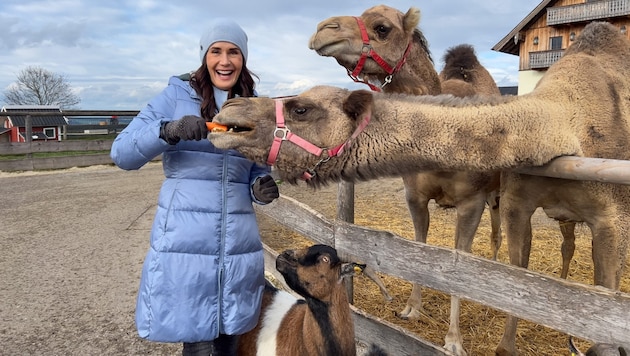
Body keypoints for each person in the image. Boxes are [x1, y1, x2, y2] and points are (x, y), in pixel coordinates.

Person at [110, 18, 279, 356]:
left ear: (243, 58)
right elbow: (122, 154)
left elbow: (259, 166)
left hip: (238, 243)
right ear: (204, 56)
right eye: (216, 51)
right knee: (200, 343)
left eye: (233, 52)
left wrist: (259, 184)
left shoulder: (255, 105)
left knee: (233, 340)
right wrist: (166, 131)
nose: (225, 60)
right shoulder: (175, 96)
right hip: (186, 241)